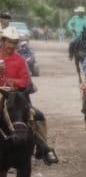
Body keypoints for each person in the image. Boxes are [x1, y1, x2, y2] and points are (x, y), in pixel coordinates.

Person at [0, 27, 57, 164]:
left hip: (16, 96)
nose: (12, 45)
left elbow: (25, 81)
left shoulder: (20, 60)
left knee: (38, 115)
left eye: (15, 42)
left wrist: (12, 82)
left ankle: (43, 147)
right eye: (9, 42)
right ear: (2, 41)